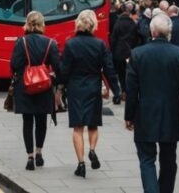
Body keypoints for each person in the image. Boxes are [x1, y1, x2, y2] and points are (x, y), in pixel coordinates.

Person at [125, 14, 179, 193]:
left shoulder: (137, 54)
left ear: (152, 31)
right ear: (168, 33)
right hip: (171, 113)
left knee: (147, 160)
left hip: (145, 112)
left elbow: (132, 90)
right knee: (168, 160)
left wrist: (129, 116)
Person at [60, 9, 120, 178]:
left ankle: (81, 164)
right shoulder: (100, 44)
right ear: (94, 24)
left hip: (76, 88)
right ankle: (92, 150)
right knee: (93, 124)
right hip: (94, 87)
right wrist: (116, 90)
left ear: (78, 23)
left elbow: (64, 71)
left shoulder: (70, 44)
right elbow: (109, 69)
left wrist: (58, 86)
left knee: (78, 127)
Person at [9, 11, 60, 169]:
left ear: (28, 23)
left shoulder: (21, 42)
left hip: (25, 86)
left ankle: (30, 157)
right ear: (42, 24)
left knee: (27, 121)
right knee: (41, 121)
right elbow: (57, 67)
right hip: (44, 86)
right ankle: (39, 152)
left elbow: (14, 65)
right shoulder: (50, 43)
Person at [110, 2, 140, 105]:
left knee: (121, 74)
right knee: (130, 73)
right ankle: (129, 91)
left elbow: (113, 39)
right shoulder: (133, 24)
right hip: (130, 52)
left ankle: (123, 91)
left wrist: (112, 51)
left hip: (119, 52)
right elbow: (137, 38)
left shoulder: (117, 24)